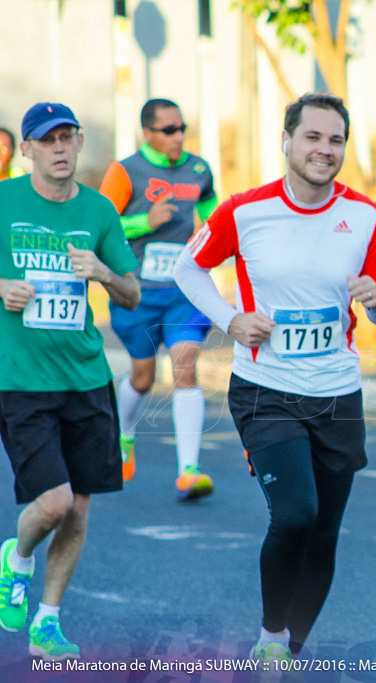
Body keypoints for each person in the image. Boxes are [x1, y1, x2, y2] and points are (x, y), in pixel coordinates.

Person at [174, 92, 376, 666]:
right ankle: (272, 636)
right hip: (267, 389)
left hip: (337, 393)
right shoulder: (244, 211)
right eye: (313, 137)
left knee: (324, 532)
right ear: (287, 141)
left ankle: (289, 654)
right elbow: (188, 267)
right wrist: (231, 319)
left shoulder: (365, 215)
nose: (325, 150)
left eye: (336, 140)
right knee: (295, 514)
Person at [0, 102, 140, 660]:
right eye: (47, 140)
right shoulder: (5, 201)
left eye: (67, 138)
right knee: (54, 503)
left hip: (86, 378)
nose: (59, 149)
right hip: (21, 379)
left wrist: (103, 273)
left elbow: (131, 293)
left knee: (80, 509)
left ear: (80, 144)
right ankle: (17, 558)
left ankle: (48, 621)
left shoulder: (100, 211)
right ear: (28, 148)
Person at [99, 98, 218, 500]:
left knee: (186, 367)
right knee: (143, 377)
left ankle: (189, 469)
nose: (178, 136)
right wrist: (143, 223)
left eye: (182, 127)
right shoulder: (125, 172)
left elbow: (213, 214)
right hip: (138, 293)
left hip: (185, 291)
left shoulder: (199, 169)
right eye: (169, 130)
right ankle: (124, 434)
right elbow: (102, 225)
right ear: (147, 132)